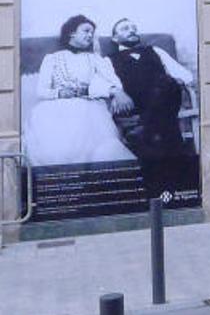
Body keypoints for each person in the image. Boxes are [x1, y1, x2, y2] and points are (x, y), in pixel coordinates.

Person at [25, 15, 136, 166]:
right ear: (72, 33)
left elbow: (112, 81)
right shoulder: (52, 58)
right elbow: (41, 91)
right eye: (86, 31)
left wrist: (116, 91)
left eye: (92, 33)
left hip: (88, 107)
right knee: (55, 146)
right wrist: (59, 93)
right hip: (54, 108)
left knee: (101, 147)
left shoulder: (95, 59)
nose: (90, 35)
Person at [108, 18, 195, 197]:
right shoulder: (108, 61)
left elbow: (185, 75)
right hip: (140, 107)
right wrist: (116, 91)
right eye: (125, 29)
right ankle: (179, 183)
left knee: (165, 83)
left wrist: (180, 80)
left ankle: (145, 129)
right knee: (166, 129)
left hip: (167, 99)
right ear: (115, 38)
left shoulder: (155, 51)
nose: (132, 30)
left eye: (133, 28)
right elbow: (107, 84)